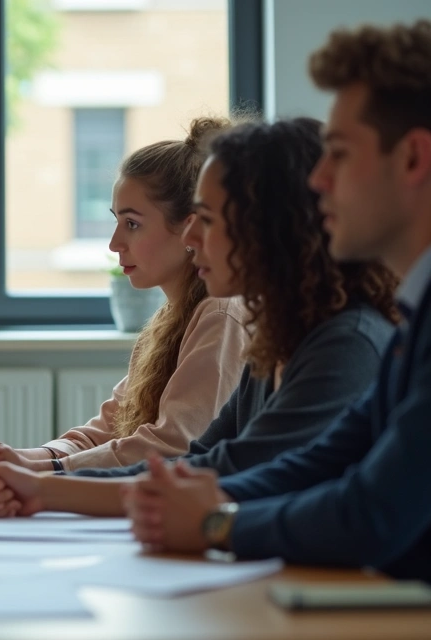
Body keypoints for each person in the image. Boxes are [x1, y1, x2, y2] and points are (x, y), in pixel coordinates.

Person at [0, 116, 398, 518]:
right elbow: (201, 463)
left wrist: (48, 482)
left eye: (207, 218)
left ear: (269, 227)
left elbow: (244, 478)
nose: (193, 236)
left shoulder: (344, 343)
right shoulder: (279, 338)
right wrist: (42, 484)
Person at [123, 20, 431, 581]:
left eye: (338, 154)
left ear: (412, 159)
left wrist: (216, 522)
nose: (318, 180)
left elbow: (371, 511)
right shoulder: (414, 319)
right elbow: (314, 467)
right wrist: (187, 502)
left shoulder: (363, 336)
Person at [0, 117, 250, 472]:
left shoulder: (220, 315)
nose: (115, 243)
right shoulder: (169, 318)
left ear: (188, 226)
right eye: (116, 221)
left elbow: (173, 445)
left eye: (132, 224)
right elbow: (105, 430)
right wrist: (25, 458)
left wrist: (43, 472)